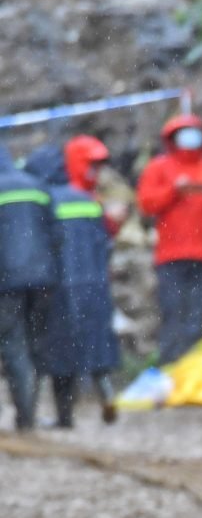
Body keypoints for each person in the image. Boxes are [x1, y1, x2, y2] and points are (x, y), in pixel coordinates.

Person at [25, 145, 119, 428]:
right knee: (95, 345)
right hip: (93, 284)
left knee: (57, 354)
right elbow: (103, 244)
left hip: (57, 287)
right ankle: (108, 397)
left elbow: (39, 247)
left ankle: (60, 416)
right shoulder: (88, 201)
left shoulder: (42, 201)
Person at [135, 112, 202, 364]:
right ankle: (170, 367)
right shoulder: (159, 167)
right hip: (170, 256)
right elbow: (147, 203)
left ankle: (193, 368)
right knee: (172, 313)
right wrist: (174, 191)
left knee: (197, 316)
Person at [0, 147, 61, 432]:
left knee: (14, 347)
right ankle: (29, 416)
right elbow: (57, 235)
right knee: (33, 344)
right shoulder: (37, 186)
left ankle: (24, 418)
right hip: (43, 280)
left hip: (6, 282)